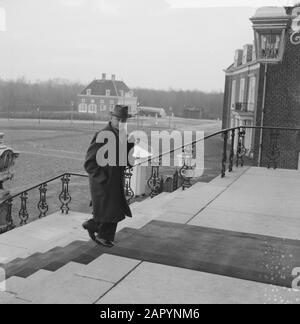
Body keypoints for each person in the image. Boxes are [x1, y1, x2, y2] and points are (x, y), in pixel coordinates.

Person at [82, 105, 134, 247]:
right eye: (118, 119)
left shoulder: (121, 135)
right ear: (111, 118)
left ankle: (96, 228)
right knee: (110, 210)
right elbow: (89, 163)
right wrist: (103, 178)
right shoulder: (102, 135)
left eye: (124, 120)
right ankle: (100, 234)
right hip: (103, 182)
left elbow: (126, 161)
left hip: (115, 181)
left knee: (115, 211)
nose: (121, 122)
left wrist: (130, 146)